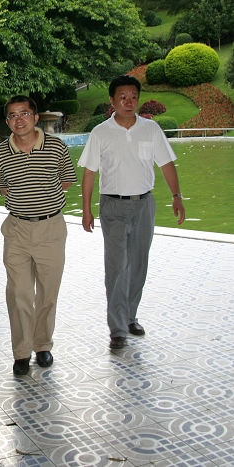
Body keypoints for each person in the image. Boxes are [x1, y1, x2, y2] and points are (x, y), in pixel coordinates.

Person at [78, 75, 185, 350]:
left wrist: (176, 197)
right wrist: (86, 210)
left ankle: (129, 317)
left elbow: (166, 164)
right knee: (117, 268)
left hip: (144, 204)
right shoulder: (100, 132)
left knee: (138, 264)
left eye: (133, 97)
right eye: (123, 97)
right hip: (113, 206)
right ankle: (117, 329)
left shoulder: (151, 129)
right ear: (112, 100)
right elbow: (89, 173)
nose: (129, 102)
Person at [0, 96, 77, 376]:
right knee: (19, 293)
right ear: (7, 121)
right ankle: (21, 351)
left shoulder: (56, 147)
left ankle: (42, 345)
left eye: (24, 113)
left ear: (36, 117)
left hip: (51, 228)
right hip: (17, 229)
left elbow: (66, 180)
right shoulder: (0, 154)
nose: (19, 120)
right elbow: (1, 187)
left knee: (48, 293)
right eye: (13, 115)